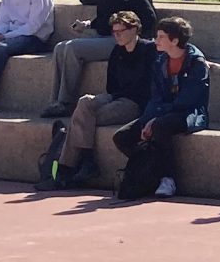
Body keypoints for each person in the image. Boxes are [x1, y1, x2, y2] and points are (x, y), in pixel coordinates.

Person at [40, 0, 157, 120]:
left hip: (121, 39)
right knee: (60, 47)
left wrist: (132, 34)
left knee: (73, 48)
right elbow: (103, 19)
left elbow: (149, 17)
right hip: (105, 35)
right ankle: (55, 101)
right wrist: (86, 25)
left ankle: (65, 102)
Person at [50, 10, 154, 188]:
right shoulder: (117, 51)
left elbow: (147, 86)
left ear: (134, 29)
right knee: (84, 102)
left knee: (81, 119)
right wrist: (109, 98)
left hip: (136, 103)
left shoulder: (149, 50)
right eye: (115, 32)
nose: (117, 35)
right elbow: (111, 86)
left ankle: (67, 166)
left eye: (121, 31)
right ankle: (86, 160)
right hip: (116, 97)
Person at [113, 15, 208, 199]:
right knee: (122, 136)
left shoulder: (196, 63)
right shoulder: (160, 61)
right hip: (160, 111)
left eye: (161, 37)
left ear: (175, 40)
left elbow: (187, 100)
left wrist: (155, 119)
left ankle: (168, 179)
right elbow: (155, 96)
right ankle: (150, 173)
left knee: (160, 127)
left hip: (189, 113)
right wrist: (148, 119)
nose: (156, 40)